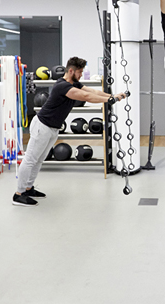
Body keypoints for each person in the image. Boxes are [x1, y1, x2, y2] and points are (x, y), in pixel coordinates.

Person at [13, 56, 127, 207]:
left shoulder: (74, 83)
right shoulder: (62, 86)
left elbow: (91, 91)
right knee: (30, 160)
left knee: (39, 160)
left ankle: (28, 188)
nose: (81, 75)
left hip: (53, 128)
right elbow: (86, 96)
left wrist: (112, 97)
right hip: (42, 126)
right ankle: (19, 194)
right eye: (79, 72)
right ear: (71, 70)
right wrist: (109, 101)